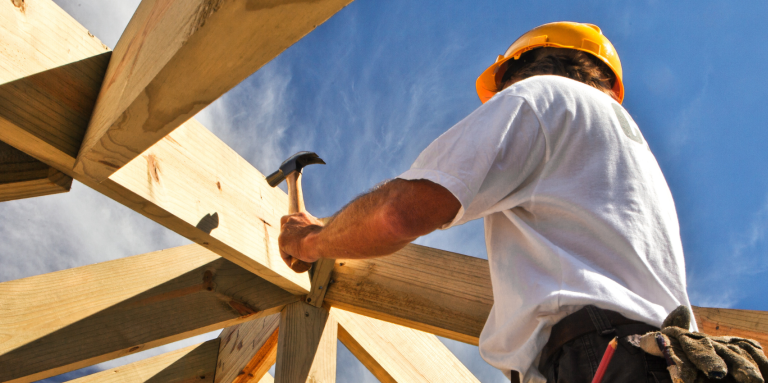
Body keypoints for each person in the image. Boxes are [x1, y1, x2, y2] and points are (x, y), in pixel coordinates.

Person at [278, 21, 694, 382]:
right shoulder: (629, 155)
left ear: (521, 67)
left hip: (598, 357)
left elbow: (398, 213)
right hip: (665, 361)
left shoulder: (542, 96)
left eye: (504, 86)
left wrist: (310, 239)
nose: (501, 97)